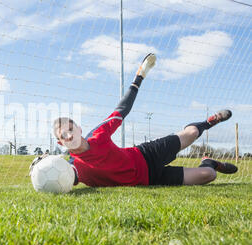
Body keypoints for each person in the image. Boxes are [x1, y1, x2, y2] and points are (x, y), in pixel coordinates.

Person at [52, 53, 238, 187]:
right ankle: (209, 161)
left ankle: (208, 122)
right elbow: (61, 177)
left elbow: (121, 110)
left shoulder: (98, 134)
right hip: (151, 179)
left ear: (79, 128)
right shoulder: (72, 166)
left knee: (192, 133)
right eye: (63, 135)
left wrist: (139, 77)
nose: (69, 135)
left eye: (70, 129)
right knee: (209, 174)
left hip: (146, 155)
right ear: (60, 142)